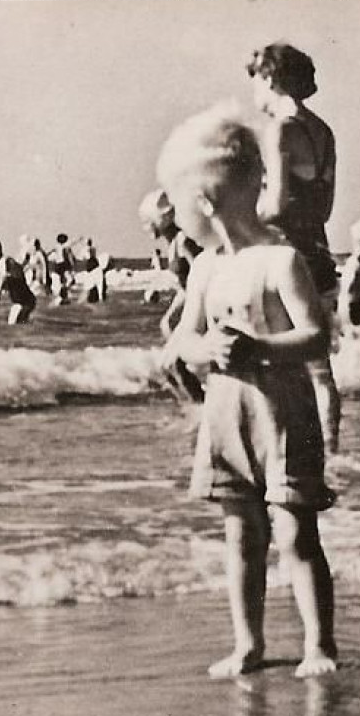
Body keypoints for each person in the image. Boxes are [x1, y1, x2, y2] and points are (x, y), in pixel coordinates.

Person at [156, 104, 337, 680]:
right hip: (225, 415)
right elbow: (181, 341)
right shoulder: (205, 270)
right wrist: (205, 351)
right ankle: (248, 643)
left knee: (293, 529)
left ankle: (319, 645)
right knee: (240, 532)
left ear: (204, 205)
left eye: (179, 209)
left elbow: (317, 337)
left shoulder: (280, 260)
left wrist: (260, 348)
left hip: (282, 412)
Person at [248, 42, 341, 452]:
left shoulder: (280, 129)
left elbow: (277, 203)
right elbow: (324, 205)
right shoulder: (323, 132)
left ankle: (283, 454)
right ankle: (329, 454)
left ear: (269, 77)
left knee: (272, 359)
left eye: (256, 83)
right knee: (320, 371)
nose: (255, 96)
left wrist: (245, 214)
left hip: (284, 253)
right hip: (318, 248)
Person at [139, 188, 207, 402]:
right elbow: (185, 284)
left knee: (172, 364)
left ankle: (200, 407)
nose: (145, 227)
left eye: (147, 221)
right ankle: (193, 405)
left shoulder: (183, 241)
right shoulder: (172, 244)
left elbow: (202, 276)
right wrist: (170, 316)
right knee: (168, 367)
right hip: (190, 301)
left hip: (201, 305)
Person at [0, 239, 37, 324]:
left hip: (23, 301)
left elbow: (4, 278)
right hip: (22, 300)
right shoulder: (3, 264)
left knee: (14, 325)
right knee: (19, 325)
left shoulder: (4, 261)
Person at [47, 235, 76, 302]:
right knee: (69, 280)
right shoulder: (65, 246)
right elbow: (72, 243)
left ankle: (63, 293)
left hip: (58, 265)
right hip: (64, 264)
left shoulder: (56, 246)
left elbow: (50, 252)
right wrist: (79, 239)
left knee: (63, 280)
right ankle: (63, 293)